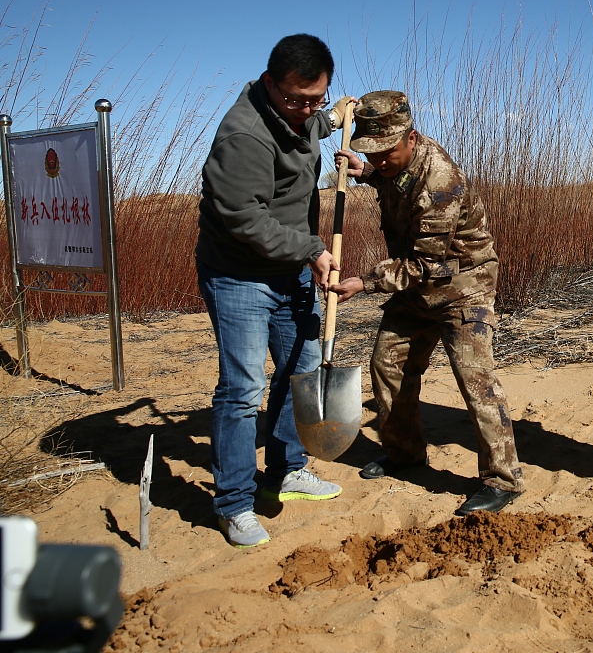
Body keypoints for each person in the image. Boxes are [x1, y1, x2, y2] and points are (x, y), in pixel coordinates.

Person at [329, 90, 524, 516]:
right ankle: (404, 454)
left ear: (411, 138)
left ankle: (503, 480)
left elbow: (422, 263)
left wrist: (363, 282)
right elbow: (393, 178)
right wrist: (367, 173)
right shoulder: (393, 165)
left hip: (462, 285)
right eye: (371, 152)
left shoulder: (441, 182)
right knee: (388, 362)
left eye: (386, 152)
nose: (380, 159)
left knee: (476, 380)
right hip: (419, 287)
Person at [196, 33, 353, 548]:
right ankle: (235, 503)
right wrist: (310, 250)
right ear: (269, 83)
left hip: (291, 270)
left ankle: (288, 469)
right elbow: (243, 218)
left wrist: (341, 118)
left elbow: (318, 122)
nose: (306, 110)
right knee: (243, 390)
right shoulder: (244, 135)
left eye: (317, 99)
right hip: (240, 274)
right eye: (296, 99)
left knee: (300, 371)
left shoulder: (304, 114)